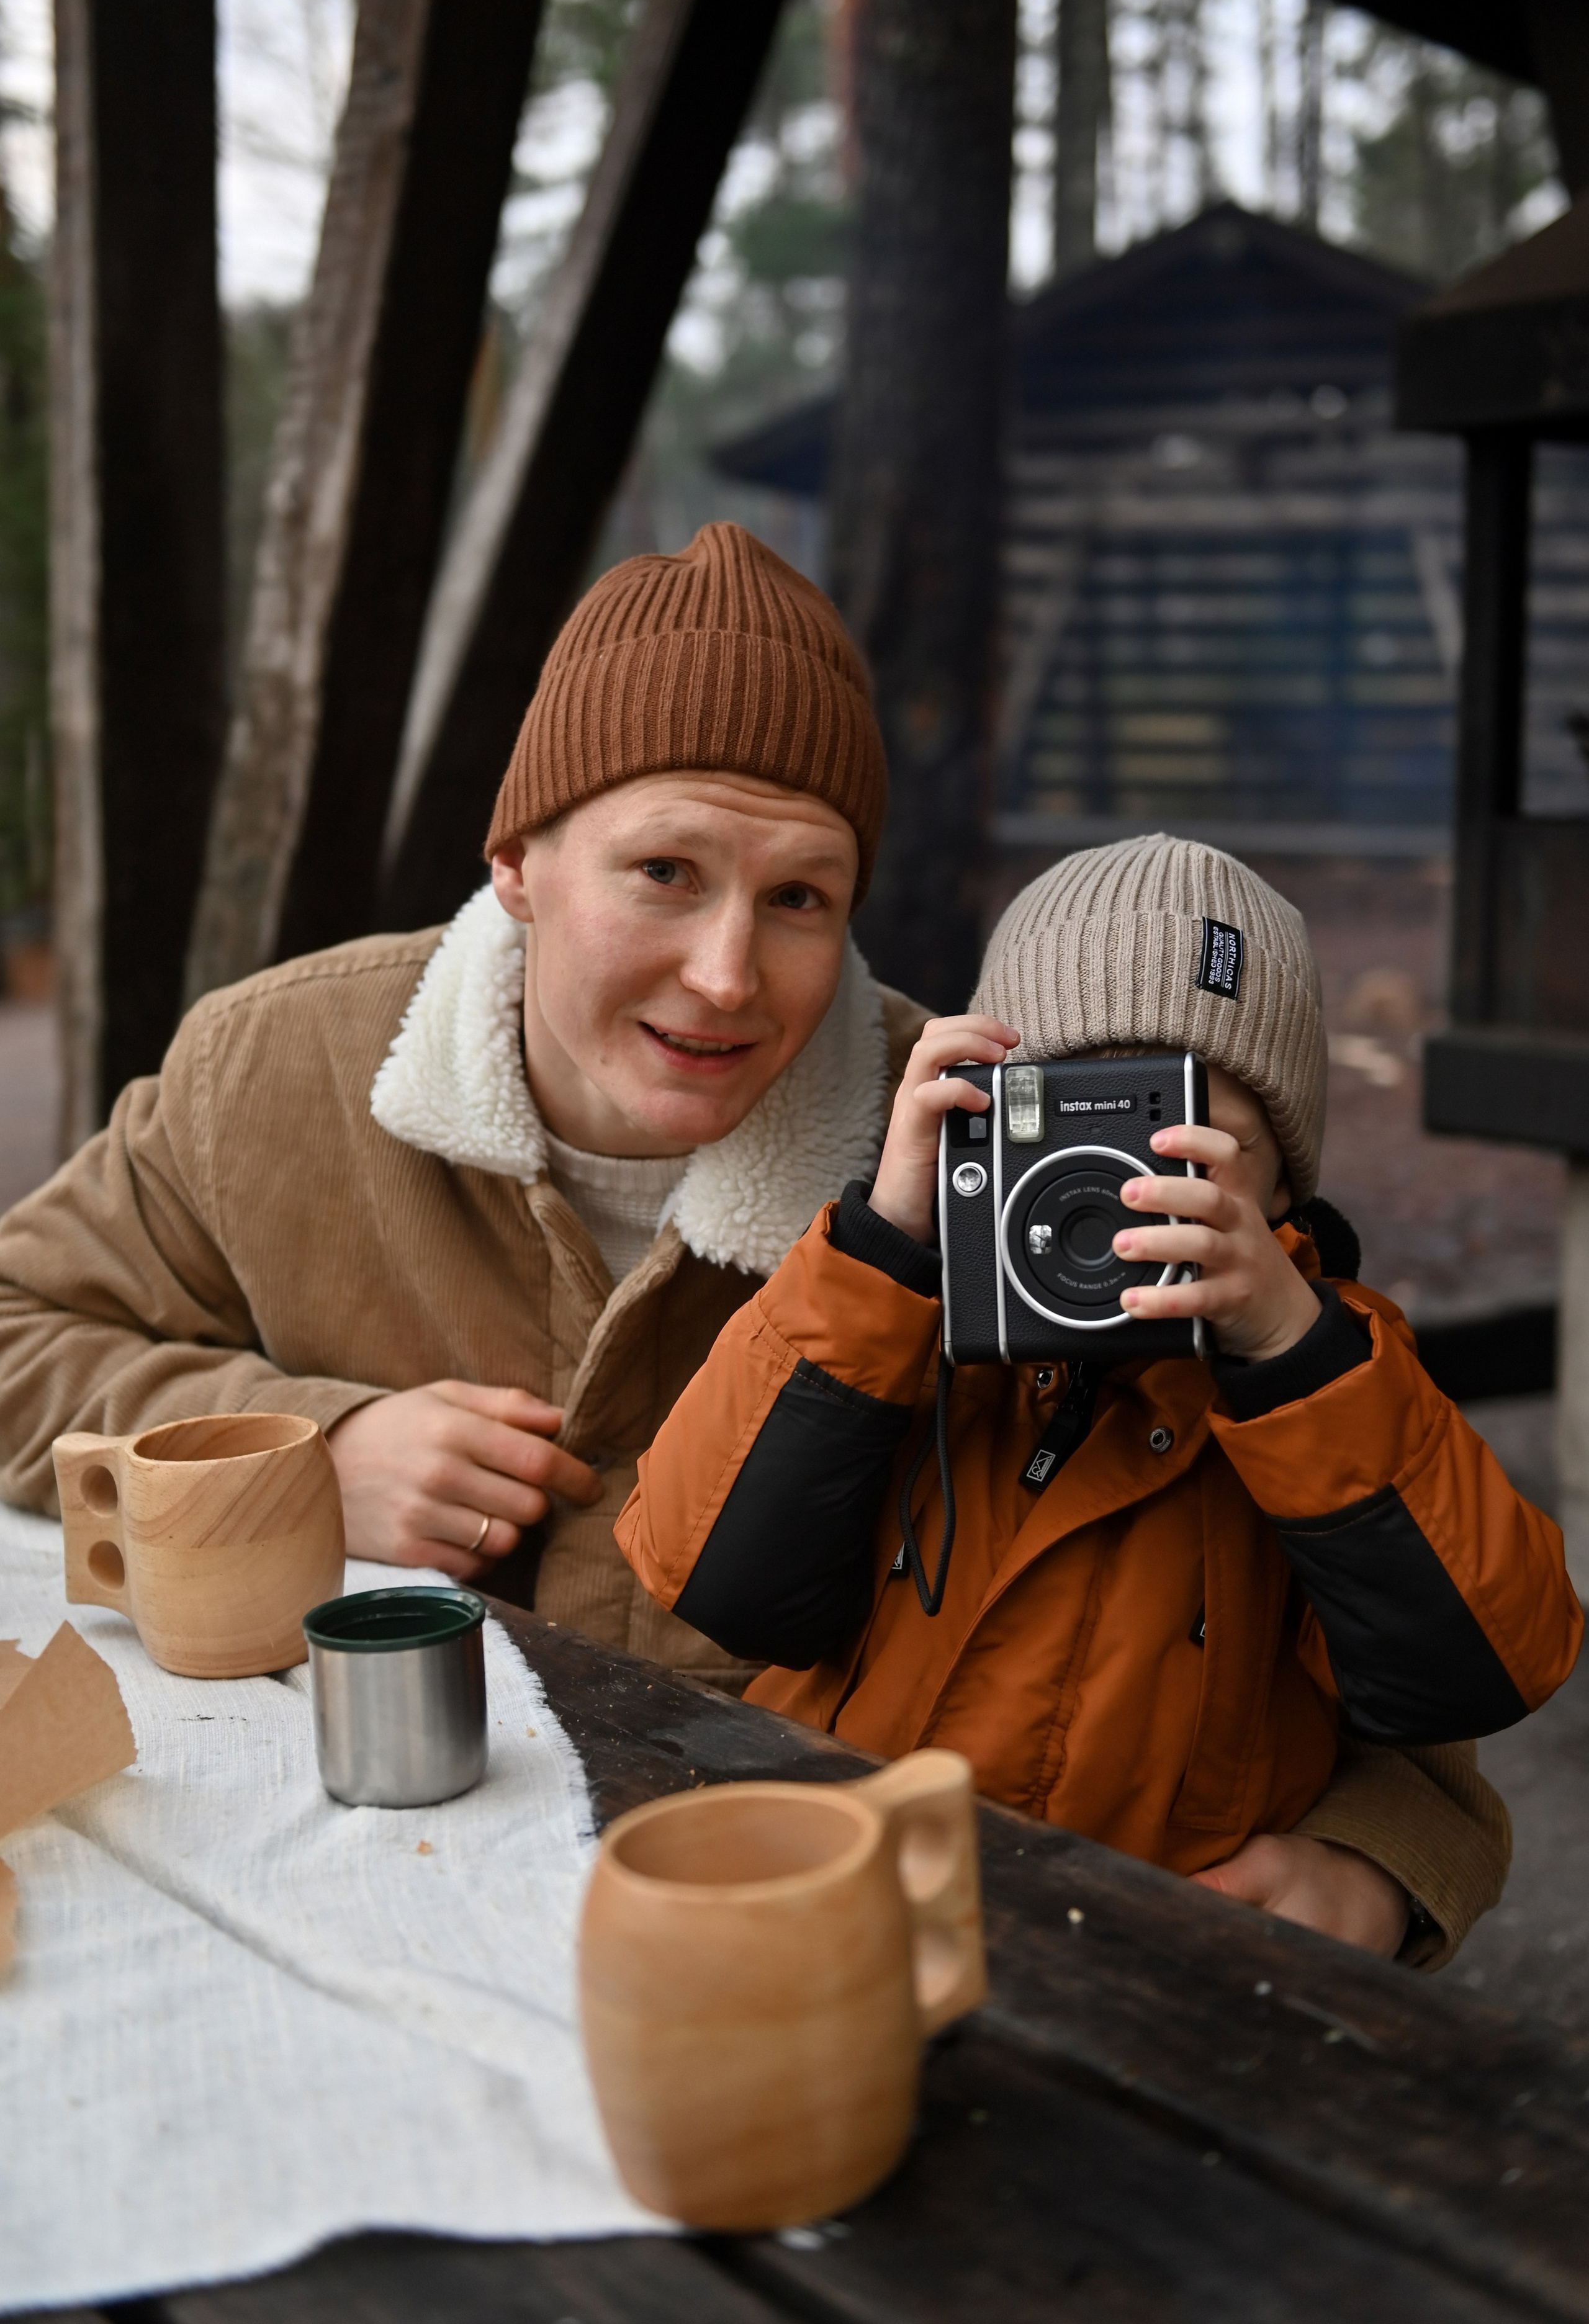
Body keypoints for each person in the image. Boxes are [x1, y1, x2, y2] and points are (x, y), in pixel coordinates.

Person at [616, 834, 1583, 1963]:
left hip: (1138, 1969)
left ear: (1283, 1184)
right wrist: (885, 1246)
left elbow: (1480, 1664)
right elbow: (719, 1581)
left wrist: (1290, 1352)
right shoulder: (899, 1330)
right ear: (977, 1129)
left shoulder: (1329, 1376)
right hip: (848, 1919)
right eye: (1068, 1127)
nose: (1115, 1197)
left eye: (1185, 1145)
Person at [0, 524, 921, 1689]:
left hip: (772, 1851)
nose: (727, 976)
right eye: (665, 874)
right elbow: (14, 1330)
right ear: (517, 864)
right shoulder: (273, 1067)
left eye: (798, 896)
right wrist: (309, 1456)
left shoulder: (948, 1150)